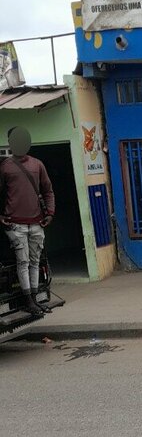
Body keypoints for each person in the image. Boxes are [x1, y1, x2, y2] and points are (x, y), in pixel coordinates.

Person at [0, 126, 55, 316]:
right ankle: (29, 301)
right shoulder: (5, 166)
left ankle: (35, 298)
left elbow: (48, 190)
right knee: (22, 262)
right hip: (16, 224)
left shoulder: (37, 165)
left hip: (37, 223)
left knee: (35, 261)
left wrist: (50, 213)